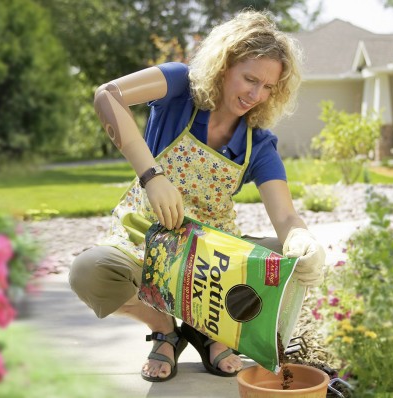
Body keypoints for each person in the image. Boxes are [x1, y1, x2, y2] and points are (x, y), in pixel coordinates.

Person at [69, 9, 326, 383]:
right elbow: (108, 95)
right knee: (88, 272)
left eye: (268, 87)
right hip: (146, 242)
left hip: (211, 261)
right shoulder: (178, 87)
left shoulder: (258, 143)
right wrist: (152, 176)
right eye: (249, 79)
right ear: (224, 67)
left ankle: (209, 330)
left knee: (286, 267)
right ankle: (166, 331)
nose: (256, 94)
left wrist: (302, 241)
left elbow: (285, 217)